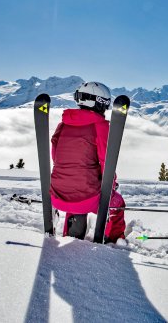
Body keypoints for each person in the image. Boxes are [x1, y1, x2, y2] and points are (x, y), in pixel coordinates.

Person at [50, 81, 126, 242]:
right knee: (117, 202)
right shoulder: (101, 126)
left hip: (57, 193)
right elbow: (107, 162)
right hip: (86, 196)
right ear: (100, 103)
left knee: (77, 193)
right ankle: (114, 241)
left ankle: (72, 234)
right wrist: (110, 185)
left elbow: (55, 156)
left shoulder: (62, 124)